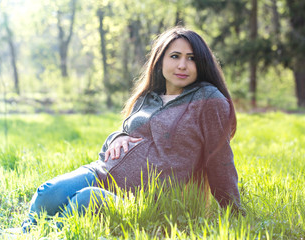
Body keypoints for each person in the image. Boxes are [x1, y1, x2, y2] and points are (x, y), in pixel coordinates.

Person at [20, 26, 241, 232]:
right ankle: (24, 233)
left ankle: (48, 234)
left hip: (139, 199)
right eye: (175, 56)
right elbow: (127, 135)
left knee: (84, 201)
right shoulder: (147, 98)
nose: (182, 65)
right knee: (47, 192)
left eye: (191, 59)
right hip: (103, 172)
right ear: (160, 60)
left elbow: (220, 158)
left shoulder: (209, 100)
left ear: (201, 64)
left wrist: (235, 213)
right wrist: (117, 137)